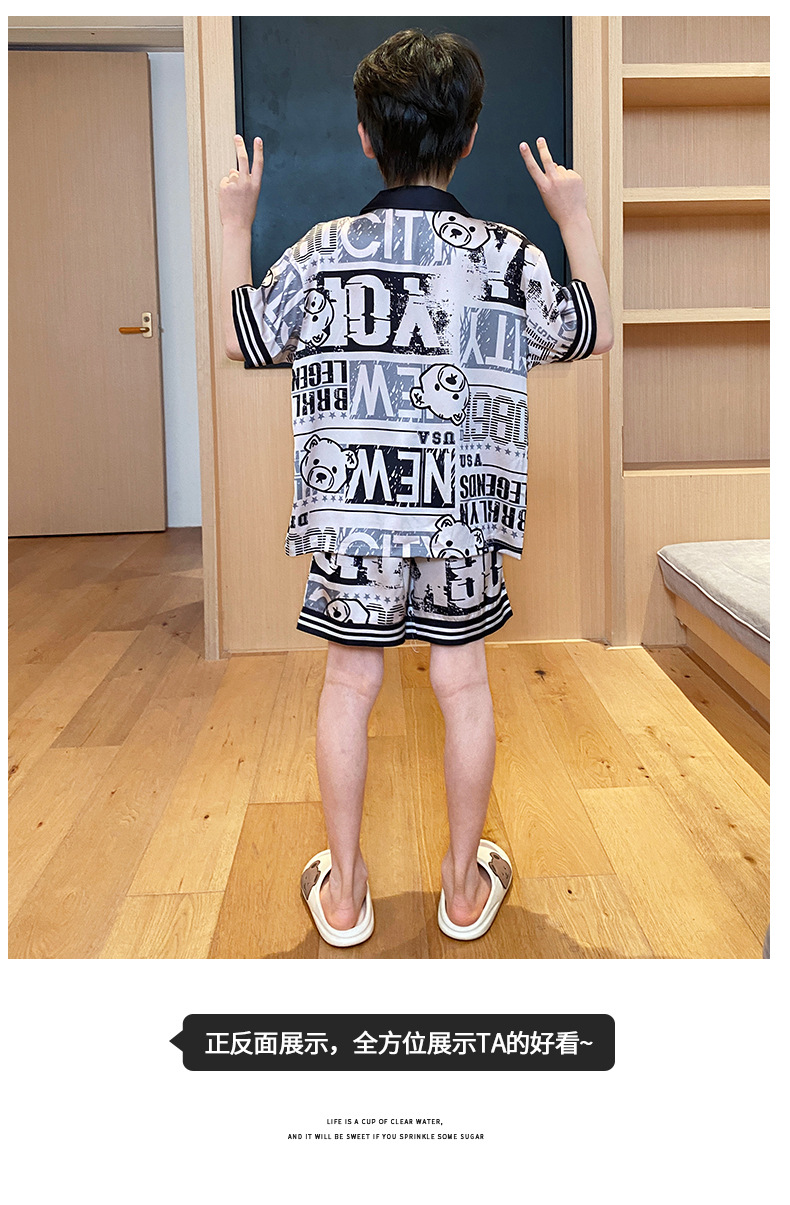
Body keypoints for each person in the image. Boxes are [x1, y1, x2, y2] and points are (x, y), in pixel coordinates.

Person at [219, 29, 613, 948]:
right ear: (470, 137)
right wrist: (574, 215)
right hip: (461, 513)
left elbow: (247, 338)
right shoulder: (507, 255)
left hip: (354, 510)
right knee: (462, 682)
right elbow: (589, 328)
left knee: (349, 682)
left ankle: (345, 896)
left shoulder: (320, 251)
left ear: (365, 136)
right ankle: (464, 891)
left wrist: (238, 219)